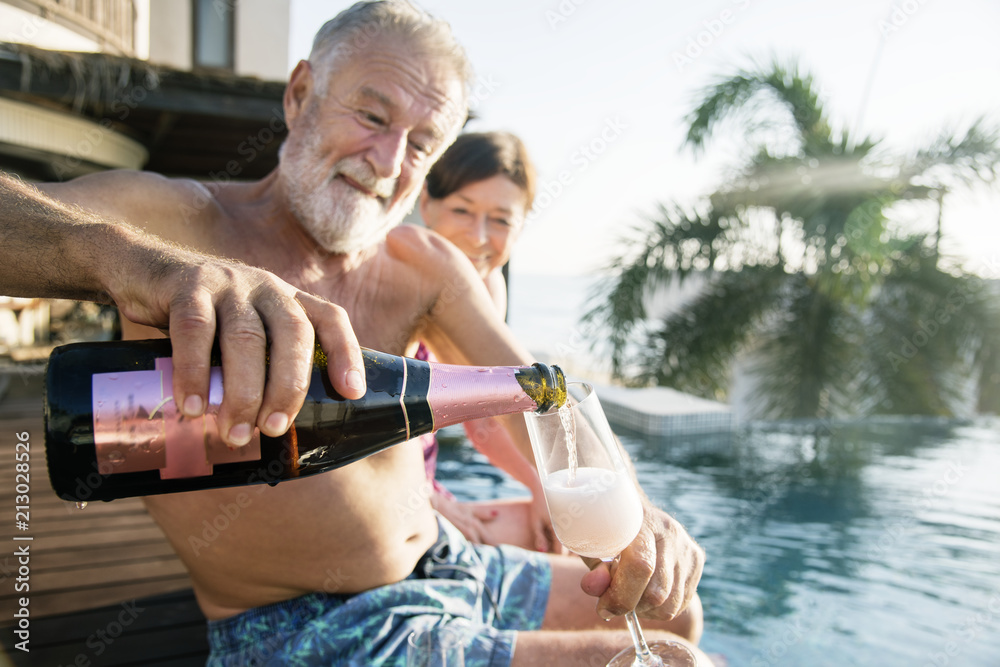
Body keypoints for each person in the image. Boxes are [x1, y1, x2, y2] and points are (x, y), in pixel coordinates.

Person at [11, 2, 709, 664]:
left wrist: (636, 515)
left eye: (422, 143)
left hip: (448, 563)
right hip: (311, 626)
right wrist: (136, 262)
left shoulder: (422, 265)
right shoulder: (179, 222)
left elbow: (540, 401)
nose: (387, 158)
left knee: (674, 614)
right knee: (671, 659)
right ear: (299, 94)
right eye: (373, 115)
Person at [414, 131, 554, 552]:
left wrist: (543, 486)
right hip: (382, 503)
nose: (478, 236)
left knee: (568, 540)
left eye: (500, 219)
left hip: (428, 493)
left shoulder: (488, 287)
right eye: (462, 210)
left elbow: (486, 421)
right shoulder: (395, 282)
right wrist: (424, 499)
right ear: (426, 205)